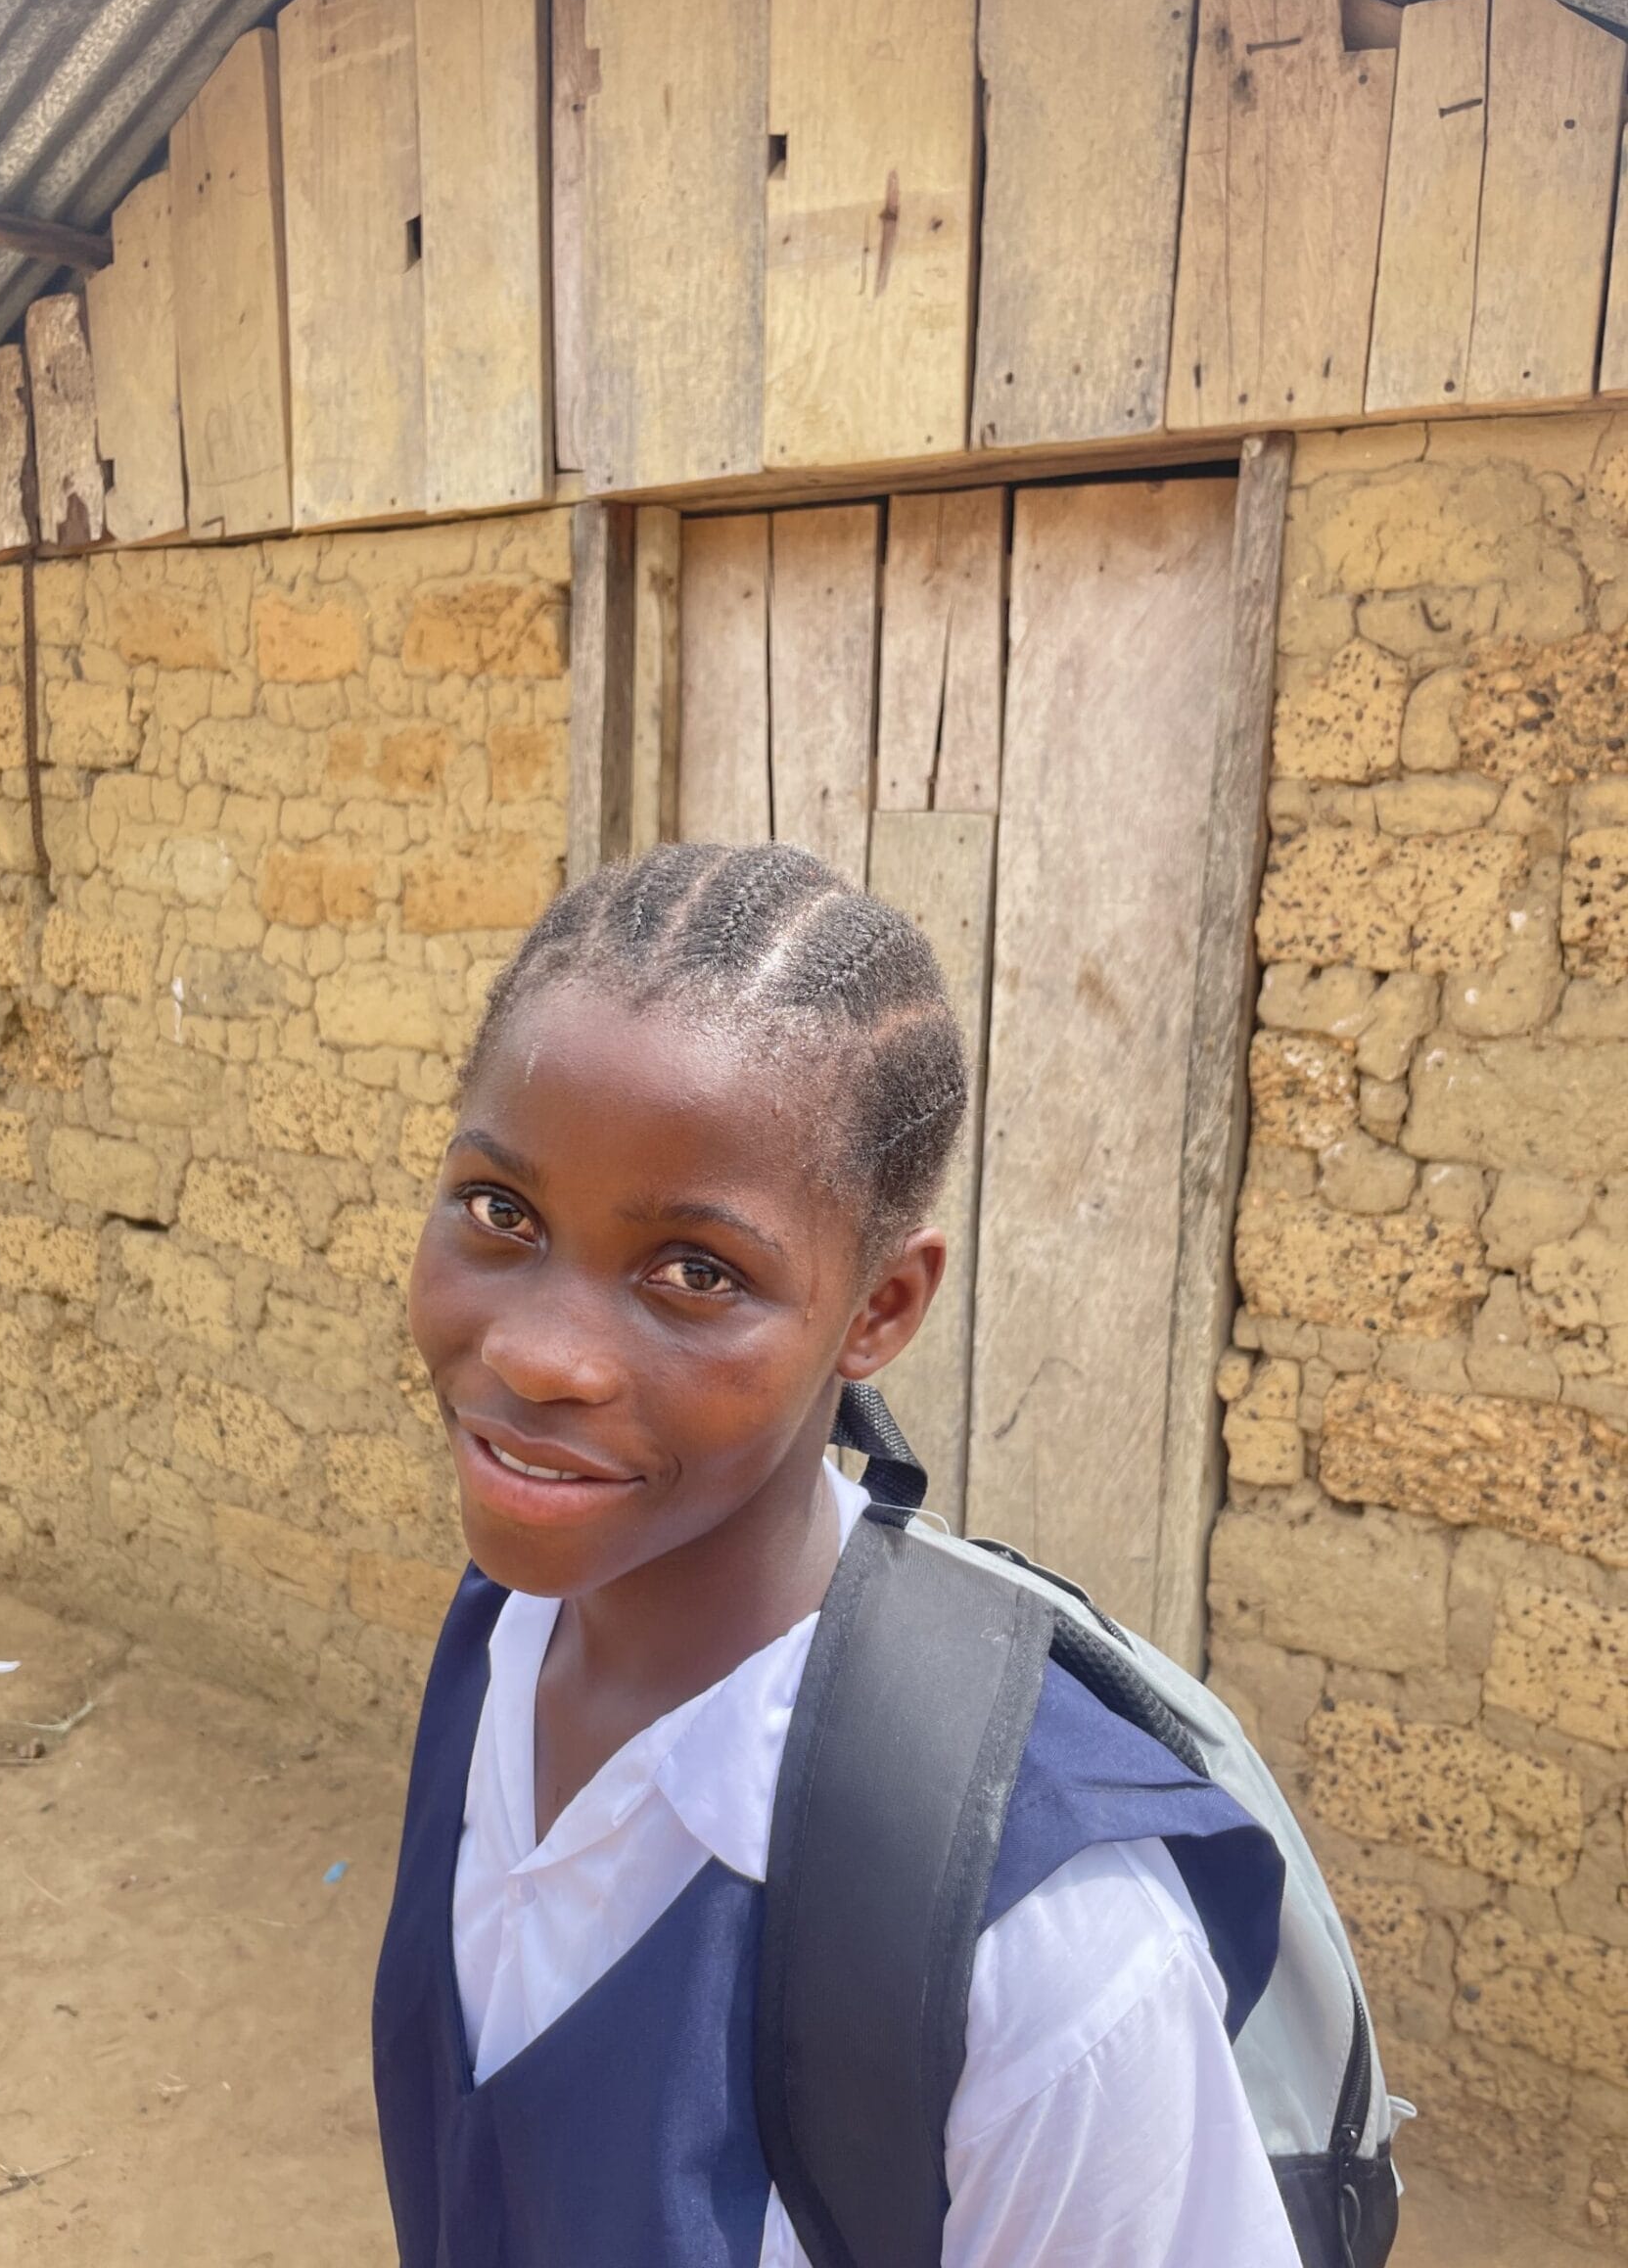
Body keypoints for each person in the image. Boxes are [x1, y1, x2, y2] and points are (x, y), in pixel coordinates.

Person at [372, 840, 1301, 2267]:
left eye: (698, 1273)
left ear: (878, 1309)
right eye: (503, 1213)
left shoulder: (1047, 1955)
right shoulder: (499, 1633)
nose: (542, 1356)